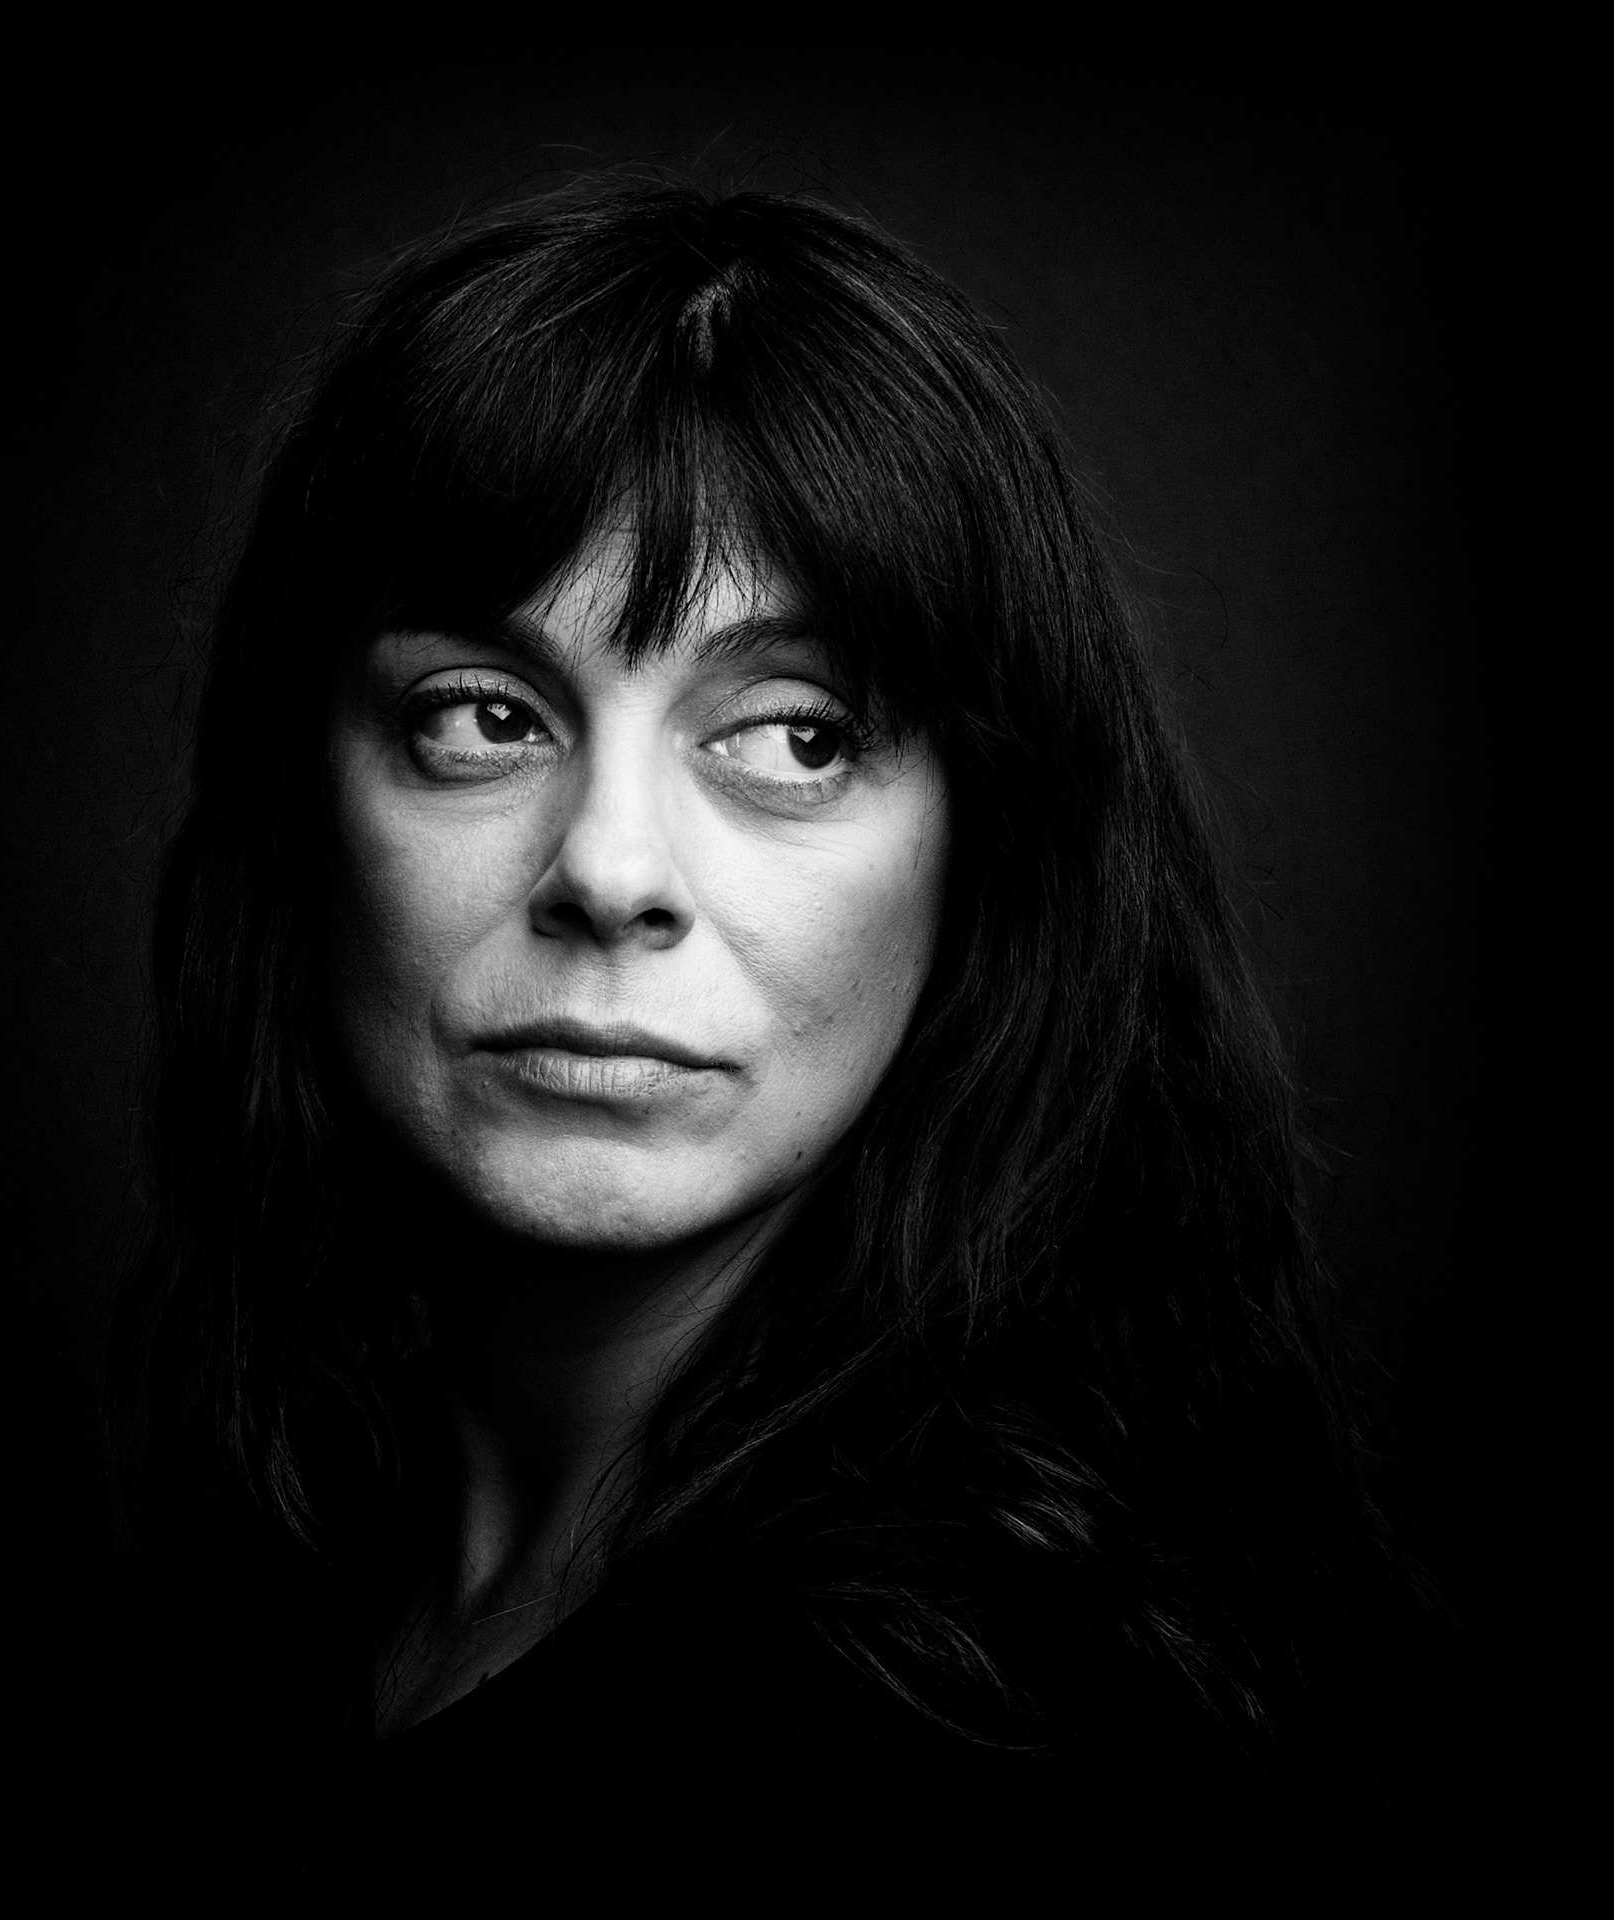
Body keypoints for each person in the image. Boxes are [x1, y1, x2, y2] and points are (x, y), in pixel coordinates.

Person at [103, 181, 1451, 1896]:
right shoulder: (255, 1605)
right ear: (307, 807)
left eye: (795, 738)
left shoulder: (1023, 1770)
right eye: (483, 716)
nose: (609, 872)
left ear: (986, 863)